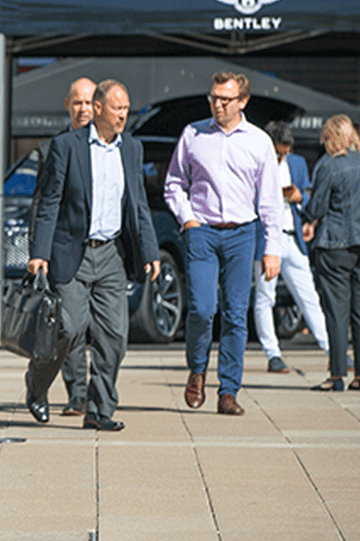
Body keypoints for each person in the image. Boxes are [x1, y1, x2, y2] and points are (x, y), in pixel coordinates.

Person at [26, 80, 159, 431]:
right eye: (117, 108)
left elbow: (139, 205)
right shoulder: (65, 146)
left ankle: (100, 411)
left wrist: (149, 250)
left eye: (127, 109)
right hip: (73, 252)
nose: (123, 116)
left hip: (113, 254)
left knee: (115, 336)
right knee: (68, 328)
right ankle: (37, 386)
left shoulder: (132, 148)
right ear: (98, 109)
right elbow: (49, 201)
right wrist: (39, 252)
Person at [164, 71, 280, 417]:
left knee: (235, 314)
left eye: (224, 99)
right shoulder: (193, 134)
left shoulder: (259, 141)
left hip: (242, 233)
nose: (217, 104)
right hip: (202, 230)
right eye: (213, 97)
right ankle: (197, 368)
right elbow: (173, 182)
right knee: (201, 308)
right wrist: (187, 217)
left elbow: (271, 199)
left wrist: (272, 247)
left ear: (242, 101)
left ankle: (228, 390)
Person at [303, 114, 360, 392]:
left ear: (332, 139)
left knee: (336, 311)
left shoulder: (330, 167)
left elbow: (317, 208)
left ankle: (337, 375)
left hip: (335, 243)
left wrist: (306, 212)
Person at [30, 77, 96, 416]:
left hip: (102, 252)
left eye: (89, 102)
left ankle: (96, 395)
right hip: (64, 250)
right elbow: (41, 204)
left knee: (100, 328)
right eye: (78, 102)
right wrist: (37, 252)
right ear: (67, 105)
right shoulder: (52, 148)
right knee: (70, 326)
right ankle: (77, 394)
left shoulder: (108, 148)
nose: (84, 109)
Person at [251, 122, 329, 372]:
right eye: (277, 152)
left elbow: (307, 194)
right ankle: (273, 353)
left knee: (308, 295)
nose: (281, 157)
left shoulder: (295, 163)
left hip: (291, 235)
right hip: (265, 238)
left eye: (284, 152)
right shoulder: (256, 161)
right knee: (265, 297)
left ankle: (331, 348)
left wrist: (300, 197)